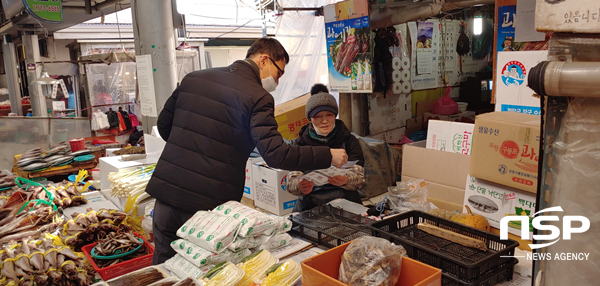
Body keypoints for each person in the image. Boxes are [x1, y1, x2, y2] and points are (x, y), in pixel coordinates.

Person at [146, 38, 349, 264]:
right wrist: (327, 154)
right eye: (279, 72)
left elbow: (164, 127)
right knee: (204, 271)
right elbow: (276, 154)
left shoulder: (194, 78)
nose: (277, 81)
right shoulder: (258, 96)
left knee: (163, 268)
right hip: (207, 206)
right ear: (263, 60)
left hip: (166, 194)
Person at [286, 84, 365, 212]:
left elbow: (360, 177)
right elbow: (291, 180)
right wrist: (300, 186)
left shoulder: (349, 140)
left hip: (345, 202)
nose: (324, 121)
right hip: (311, 205)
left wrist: (347, 180)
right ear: (310, 119)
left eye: (329, 115)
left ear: (335, 115)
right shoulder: (300, 144)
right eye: (318, 116)